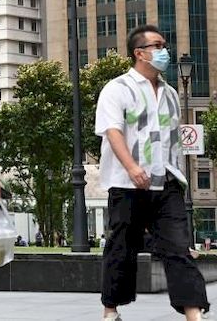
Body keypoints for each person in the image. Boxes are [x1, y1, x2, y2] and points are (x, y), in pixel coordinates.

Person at [97, 25, 209, 321]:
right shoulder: (117, 88)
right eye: (158, 46)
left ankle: (193, 313)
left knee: (178, 248)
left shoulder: (171, 93)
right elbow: (112, 132)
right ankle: (111, 309)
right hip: (126, 183)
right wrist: (132, 167)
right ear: (140, 53)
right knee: (121, 245)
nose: (164, 51)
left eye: (164, 45)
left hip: (168, 181)